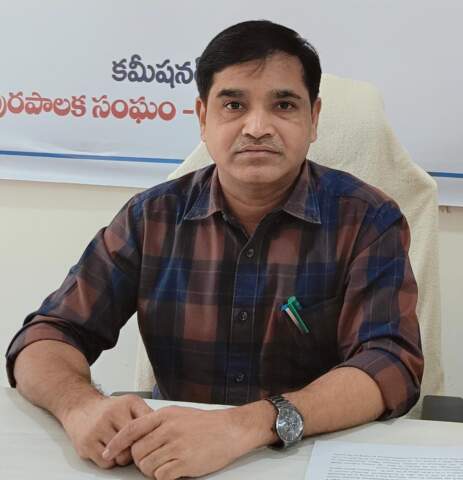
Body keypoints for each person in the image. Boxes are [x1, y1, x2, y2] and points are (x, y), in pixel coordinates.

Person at [6, 20, 423, 480]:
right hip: (173, 463)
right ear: (204, 118)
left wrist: (245, 426)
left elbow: (389, 364)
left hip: (308, 459)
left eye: (283, 105)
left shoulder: (367, 219)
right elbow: (46, 335)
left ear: (314, 118)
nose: (257, 128)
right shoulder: (152, 217)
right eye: (234, 105)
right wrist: (80, 406)